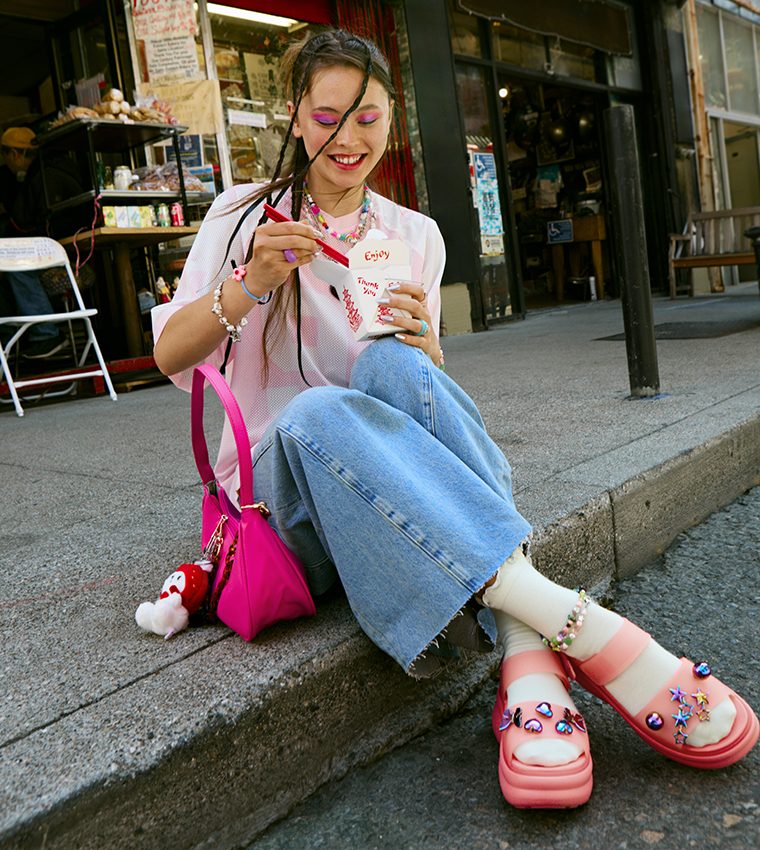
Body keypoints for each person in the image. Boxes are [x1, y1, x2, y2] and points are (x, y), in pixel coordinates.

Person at [152, 29, 758, 809]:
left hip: (383, 502)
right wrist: (249, 283)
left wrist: (427, 343)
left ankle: (526, 645)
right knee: (314, 412)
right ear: (297, 117)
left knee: (392, 365)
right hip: (278, 509)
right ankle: (568, 621)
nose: (347, 139)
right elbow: (171, 354)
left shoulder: (414, 236)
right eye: (328, 117)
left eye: (367, 119)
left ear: (393, 120)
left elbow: (419, 398)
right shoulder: (240, 217)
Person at [0, 126, 84, 359]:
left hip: (64, 258)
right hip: (69, 253)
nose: (6, 163)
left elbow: (36, 225)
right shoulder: (56, 168)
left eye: (5, 156)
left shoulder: (43, 178)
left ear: (15, 154)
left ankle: (46, 334)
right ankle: (10, 343)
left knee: (15, 267)